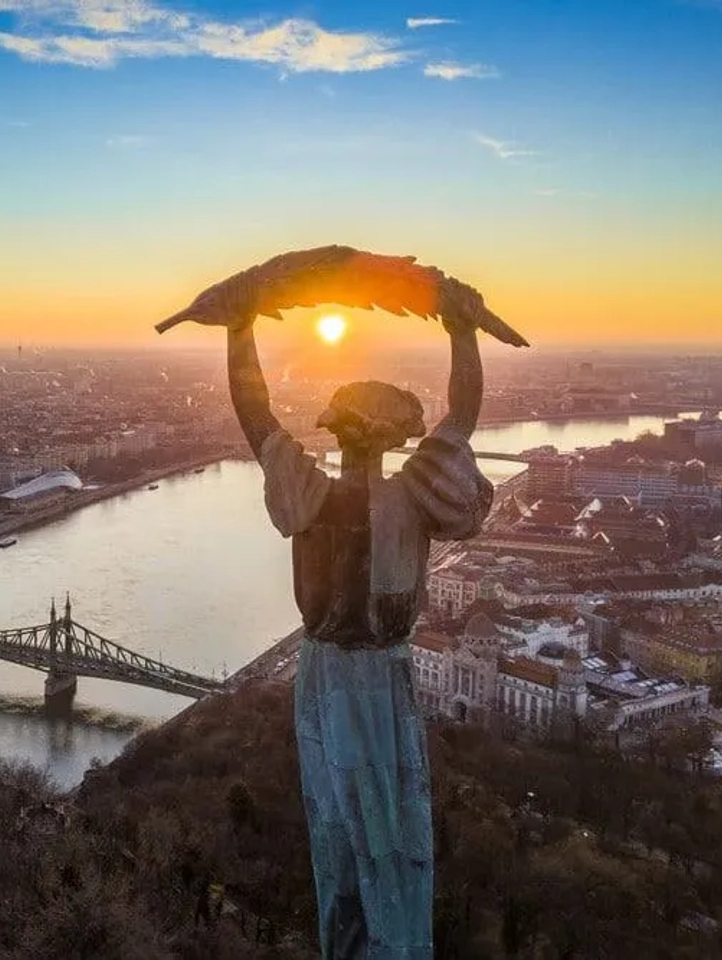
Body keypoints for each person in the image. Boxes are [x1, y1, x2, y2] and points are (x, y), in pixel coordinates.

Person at [225, 306, 494, 959]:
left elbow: (255, 413)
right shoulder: (415, 498)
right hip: (384, 676)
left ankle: (351, 942)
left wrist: (240, 327)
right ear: (396, 438)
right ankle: (394, 941)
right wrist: (462, 332)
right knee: (395, 827)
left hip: (325, 678)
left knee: (336, 833)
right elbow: (463, 414)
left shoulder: (309, 497)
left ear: (338, 434)